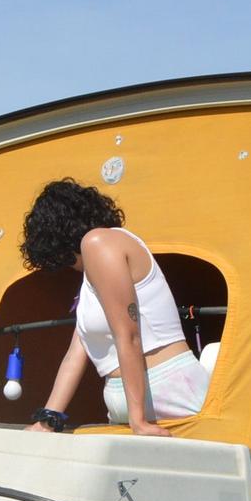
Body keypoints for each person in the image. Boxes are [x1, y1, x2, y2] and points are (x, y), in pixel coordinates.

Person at [20, 179, 209, 438]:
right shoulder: (89, 281)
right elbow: (75, 353)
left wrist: (138, 420)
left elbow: (128, 335)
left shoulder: (98, 242)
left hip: (167, 392)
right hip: (128, 404)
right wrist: (47, 420)